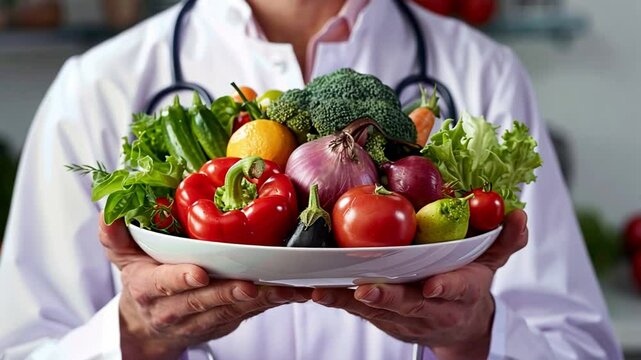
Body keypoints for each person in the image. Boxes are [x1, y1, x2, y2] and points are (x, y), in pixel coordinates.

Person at [0, 0, 623, 359]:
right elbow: (23, 347)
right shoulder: (96, 87)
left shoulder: (486, 74)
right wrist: (133, 335)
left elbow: (581, 348)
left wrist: (475, 337)